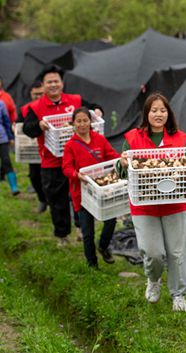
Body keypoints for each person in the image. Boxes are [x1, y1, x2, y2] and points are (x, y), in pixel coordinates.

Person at [119, 92, 186, 312]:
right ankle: (153, 280)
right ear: (147, 113)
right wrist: (123, 163)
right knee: (153, 252)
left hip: (174, 204)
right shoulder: (133, 138)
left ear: (168, 114)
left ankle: (179, 297)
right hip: (144, 205)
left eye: (162, 110)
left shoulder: (180, 138)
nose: (158, 114)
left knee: (176, 253)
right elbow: (120, 172)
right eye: (154, 110)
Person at [23, 65, 103, 246]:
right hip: (52, 161)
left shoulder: (75, 100)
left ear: (62, 83)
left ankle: (81, 228)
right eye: (49, 82)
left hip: (78, 159)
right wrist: (39, 125)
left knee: (80, 196)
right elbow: (28, 129)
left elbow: (94, 107)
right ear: (43, 86)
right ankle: (62, 235)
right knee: (56, 199)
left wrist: (97, 111)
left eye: (56, 81)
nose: (53, 85)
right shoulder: (35, 107)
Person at [62, 107, 119, 268]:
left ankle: (103, 246)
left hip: (102, 188)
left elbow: (111, 155)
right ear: (73, 123)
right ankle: (92, 263)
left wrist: (122, 159)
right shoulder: (70, 145)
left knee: (111, 219)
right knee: (87, 231)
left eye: (85, 120)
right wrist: (76, 175)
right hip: (82, 192)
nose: (82, 124)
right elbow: (66, 168)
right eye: (78, 121)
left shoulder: (99, 139)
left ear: (90, 122)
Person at [18, 81, 47, 213]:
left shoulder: (49, 106)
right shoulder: (25, 109)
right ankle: (42, 199)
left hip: (49, 151)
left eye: (40, 94)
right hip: (33, 150)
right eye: (35, 94)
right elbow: (19, 122)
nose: (38, 96)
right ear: (30, 94)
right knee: (34, 176)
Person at [0, 100, 19, 195]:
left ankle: (14, 187)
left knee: (6, 161)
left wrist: (10, 137)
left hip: (2, 138)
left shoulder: (1, 104)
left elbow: (6, 121)